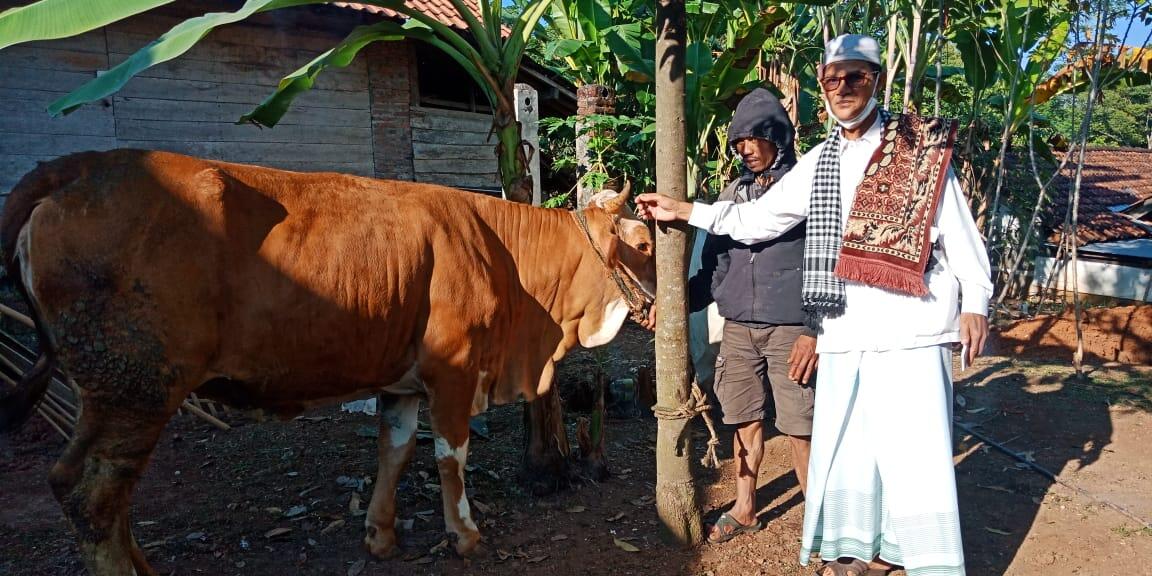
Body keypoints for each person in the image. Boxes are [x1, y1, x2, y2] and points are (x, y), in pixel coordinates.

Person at [636, 34, 991, 576]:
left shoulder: (918, 150)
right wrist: (684, 210)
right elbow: (757, 220)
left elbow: (960, 233)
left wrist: (976, 301)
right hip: (845, 327)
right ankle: (856, 549)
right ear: (823, 85)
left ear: (876, 80)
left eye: (856, 77)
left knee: (913, 450)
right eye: (832, 79)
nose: (843, 88)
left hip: (912, 326)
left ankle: (916, 557)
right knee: (850, 445)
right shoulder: (823, 161)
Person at [685, 88, 818, 544]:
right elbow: (713, 263)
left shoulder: (806, 187)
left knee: (801, 424)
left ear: (776, 136)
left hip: (791, 327)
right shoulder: (733, 193)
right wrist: (681, 306)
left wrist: (814, 329)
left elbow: (827, 262)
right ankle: (745, 509)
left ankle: (819, 520)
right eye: (738, 141)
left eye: (752, 139)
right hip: (740, 327)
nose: (743, 149)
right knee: (744, 416)